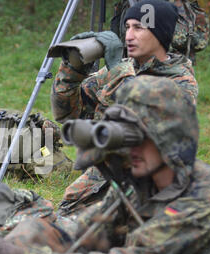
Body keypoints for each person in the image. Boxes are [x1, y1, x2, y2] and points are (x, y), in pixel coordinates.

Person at [0, 76, 210, 254]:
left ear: (172, 138)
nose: (132, 150)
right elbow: (80, 234)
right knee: (34, 230)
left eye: (144, 138)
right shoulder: (141, 184)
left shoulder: (204, 195)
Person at [51, 0, 199, 216]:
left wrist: (118, 70)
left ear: (160, 34)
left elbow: (145, 127)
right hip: (106, 174)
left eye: (139, 28)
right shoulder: (121, 69)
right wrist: (72, 69)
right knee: (63, 220)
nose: (129, 35)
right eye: (127, 26)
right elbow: (67, 113)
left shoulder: (180, 81)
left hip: (151, 177)